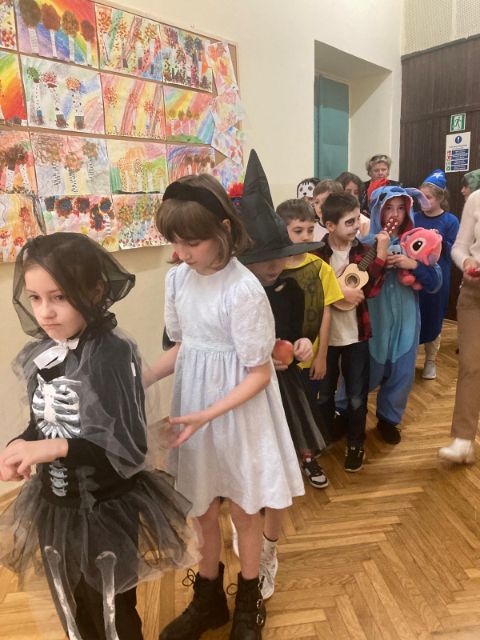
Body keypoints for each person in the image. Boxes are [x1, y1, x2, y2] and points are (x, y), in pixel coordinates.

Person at [0, 233, 195, 640]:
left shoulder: (112, 354)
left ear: (95, 291)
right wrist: (20, 443)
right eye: (35, 298)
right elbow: (43, 422)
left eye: (59, 297)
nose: (45, 312)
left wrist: (53, 447)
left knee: (111, 611)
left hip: (104, 507)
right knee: (72, 607)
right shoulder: (45, 353)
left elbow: (128, 447)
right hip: (54, 506)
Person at [146, 169, 304, 640]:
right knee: (200, 507)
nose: (181, 253)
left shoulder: (243, 289)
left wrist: (208, 415)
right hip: (195, 406)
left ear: (224, 231)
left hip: (237, 412)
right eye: (175, 242)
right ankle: (209, 598)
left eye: (191, 242)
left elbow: (258, 372)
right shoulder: (178, 279)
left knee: (242, 509)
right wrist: (140, 377)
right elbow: (185, 346)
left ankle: (248, 601)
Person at [235, 156, 329, 600]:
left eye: (279, 256)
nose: (274, 266)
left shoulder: (289, 289)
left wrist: (303, 345)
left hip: (282, 393)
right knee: (244, 472)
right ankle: (246, 531)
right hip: (241, 392)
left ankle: (269, 550)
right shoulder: (236, 296)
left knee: (277, 478)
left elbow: (296, 335)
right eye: (264, 259)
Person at [314, 193, 389, 470]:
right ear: (329, 225)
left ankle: (356, 444)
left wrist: (382, 252)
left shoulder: (362, 252)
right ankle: (322, 438)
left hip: (356, 335)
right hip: (326, 340)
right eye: (349, 222)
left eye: (358, 219)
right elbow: (311, 292)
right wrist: (338, 292)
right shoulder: (317, 255)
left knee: (357, 396)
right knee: (324, 394)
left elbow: (372, 287)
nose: (357, 226)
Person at [367, 185, 442, 444]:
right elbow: (355, 278)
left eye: (401, 208)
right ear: (378, 210)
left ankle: (389, 419)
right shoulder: (365, 243)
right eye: (389, 207)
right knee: (366, 369)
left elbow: (435, 282)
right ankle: (346, 411)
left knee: (402, 371)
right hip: (374, 320)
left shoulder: (417, 241)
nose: (394, 214)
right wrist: (377, 259)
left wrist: (414, 265)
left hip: (407, 320)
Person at [439, 187, 480, 463]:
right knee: (470, 364)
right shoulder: (476, 199)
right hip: (474, 292)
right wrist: (466, 261)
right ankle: (463, 440)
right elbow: (459, 246)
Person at [417, 170, 459, 379]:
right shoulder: (414, 218)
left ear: (440, 198)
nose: (423, 201)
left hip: (438, 280)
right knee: (414, 317)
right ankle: (408, 360)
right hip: (415, 277)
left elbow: (454, 251)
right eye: (421, 196)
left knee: (434, 318)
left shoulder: (450, 221)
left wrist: (439, 242)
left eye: (429, 197)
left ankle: (430, 361)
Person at [336, 171, 371, 235]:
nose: (352, 195)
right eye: (348, 192)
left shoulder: (365, 222)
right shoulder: (331, 218)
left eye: (356, 192)